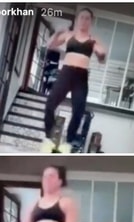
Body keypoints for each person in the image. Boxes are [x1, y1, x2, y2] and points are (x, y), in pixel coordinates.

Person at [41, 8, 107, 153]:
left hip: (81, 77)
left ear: (91, 22)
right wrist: (57, 33)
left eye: (87, 18)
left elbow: (102, 58)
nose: (84, 20)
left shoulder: (93, 40)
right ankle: (49, 137)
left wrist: (101, 54)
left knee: (79, 110)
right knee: (50, 102)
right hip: (66, 73)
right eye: (82, 17)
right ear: (77, 20)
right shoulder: (69, 35)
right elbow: (50, 45)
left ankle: (69, 141)